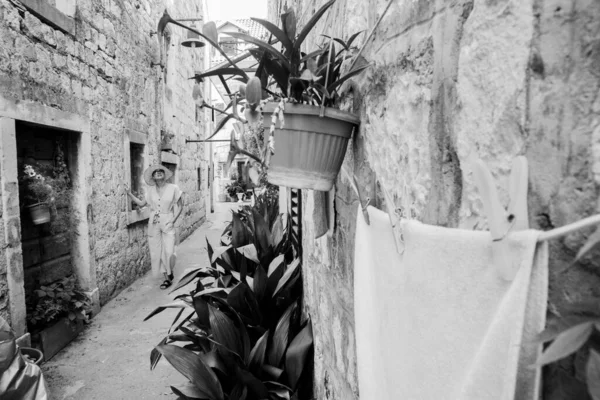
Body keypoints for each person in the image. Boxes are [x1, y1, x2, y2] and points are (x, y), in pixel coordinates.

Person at [124, 165, 183, 289]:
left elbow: (181, 206)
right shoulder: (150, 191)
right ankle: (167, 278)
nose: (158, 172)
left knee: (169, 251)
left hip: (168, 221)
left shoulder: (173, 188)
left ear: (165, 175)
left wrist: (173, 221)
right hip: (154, 222)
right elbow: (141, 203)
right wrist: (129, 193)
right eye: (155, 172)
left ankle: (169, 270)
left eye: (161, 171)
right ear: (153, 177)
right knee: (157, 252)